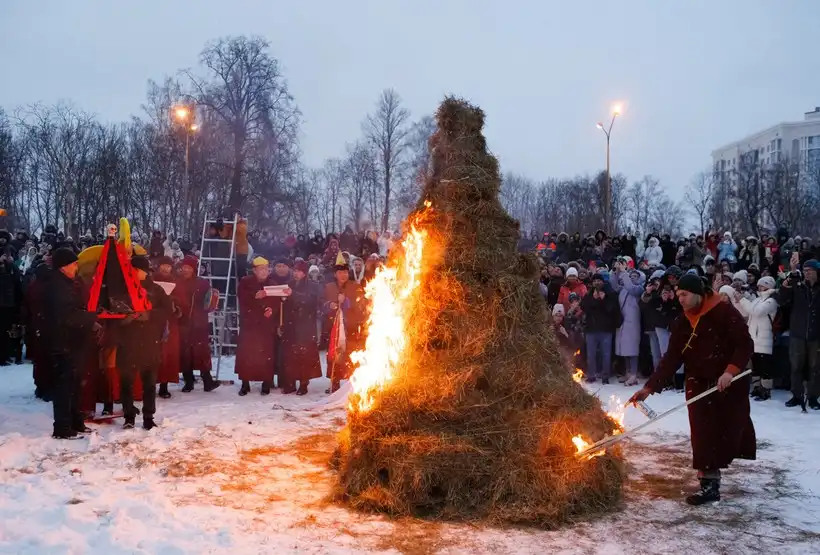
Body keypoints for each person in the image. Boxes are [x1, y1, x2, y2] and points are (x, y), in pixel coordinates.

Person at [629, 273, 755, 505]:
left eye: (685, 294)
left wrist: (730, 371)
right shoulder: (683, 321)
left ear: (698, 293)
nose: (681, 299)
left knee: (726, 429)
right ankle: (709, 484)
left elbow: (745, 344)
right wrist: (649, 387)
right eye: (678, 295)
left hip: (726, 382)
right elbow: (672, 357)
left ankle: (715, 471)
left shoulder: (724, 312)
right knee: (702, 433)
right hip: (697, 381)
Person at [44, 248, 101, 439]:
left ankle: (76, 421)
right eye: (73, 263)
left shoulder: (68, 284)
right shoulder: (56, 286)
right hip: (62, 342)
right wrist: (91, 316)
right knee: (64, 386)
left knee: (75, 384)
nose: (77, 266)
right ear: (63, 266)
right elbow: (67, 315)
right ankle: (62, 427)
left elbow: (75, 309)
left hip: (73, 341)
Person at [115, 256, 172, 430]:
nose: (133, 273)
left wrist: (149, 315)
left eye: (136, 270)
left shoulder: (156, 290)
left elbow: (166, 310)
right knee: (127, 382)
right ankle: (128, 415)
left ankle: (148, 416)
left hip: (149, 341)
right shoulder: (122, 289)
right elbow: (112, 311)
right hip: (128, 342)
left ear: (145, 271)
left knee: (149, 383)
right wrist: (123, 319)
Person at [776, 258, 820, 410]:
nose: (807, 274)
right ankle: (796, 395)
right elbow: (782, 300)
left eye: (810, 271)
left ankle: (813, 397)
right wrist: (788, 280)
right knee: (796, 366)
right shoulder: (798, 287)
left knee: (815, 367)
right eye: (805, 271)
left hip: (816, 334)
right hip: (797, 333)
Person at [235, 257, 279, 396]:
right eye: (261, 269)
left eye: (266, 269)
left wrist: (271, 309)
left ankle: (266, 383)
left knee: (266, 355)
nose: (264, 272)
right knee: (247, 354)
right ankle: (245, 384)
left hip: (265, 326)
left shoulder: (272, 284)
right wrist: (256, 297)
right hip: (249, 324)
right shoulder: (245, 282)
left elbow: (276, 302)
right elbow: (243, 299)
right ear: (254, 270)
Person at [732, 276, 778, 401]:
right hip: (753, 337)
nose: (760, 287)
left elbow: (756, 311)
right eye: (759, 285)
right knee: (755, 364)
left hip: (765, 338)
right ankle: (757, 387)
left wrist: (742, 300)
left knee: (765, 366)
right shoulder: (757, 299)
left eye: (763, 285)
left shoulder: (771, 301)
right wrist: (739, 299)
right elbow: (747, 312)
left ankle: (766, 389)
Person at [281, 260, 323, 395]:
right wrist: (284, 299)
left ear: (304, 273)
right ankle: (291, 382)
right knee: (290, 355)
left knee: (304, 355)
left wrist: (293, 295)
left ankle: (304, 383)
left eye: (299, 271)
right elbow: (286, 305)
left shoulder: (312, 285)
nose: (296, 273)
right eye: (295, 270)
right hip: (291, 324)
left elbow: (310, 301)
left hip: (305, 325)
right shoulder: (290, 284)